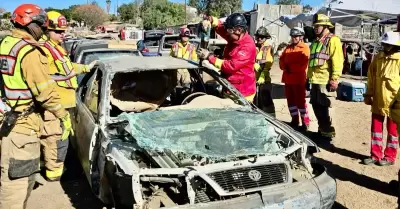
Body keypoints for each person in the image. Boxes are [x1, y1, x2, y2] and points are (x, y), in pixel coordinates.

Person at [0, 4, 72, 207]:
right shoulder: (29, 51)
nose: (43, 29)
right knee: (17, 187)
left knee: (10, 174)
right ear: (29, 23)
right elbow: (44, 92)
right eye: (41, 25)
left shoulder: (6, 43)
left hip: (7, 120)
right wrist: (62, 115)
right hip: (22, 125)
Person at [39, 10, 97, 181]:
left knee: (61, 137)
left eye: (63, 31)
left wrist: (86, 68)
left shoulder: (55, 48)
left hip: (65, 102)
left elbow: (67, 68)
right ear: (45, 30)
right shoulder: (43, 50)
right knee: (54, 139)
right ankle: (54, 174)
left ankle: (55, 165)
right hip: (55, 104)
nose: (62, 34)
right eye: (58, 31)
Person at [198, 13, 257, 102]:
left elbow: (231, 66)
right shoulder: (234, 35)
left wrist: (210, 57)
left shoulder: (247, 46)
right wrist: (211, 20)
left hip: (242, 93)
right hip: (230, 87)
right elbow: (221, 28)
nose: (226, 33)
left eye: (228, 30)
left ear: (239, 30)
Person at [364, 31, 400, 166]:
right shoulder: (378, 58)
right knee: (376, 130)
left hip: (394, 103)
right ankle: (375, 155)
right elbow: (371, 78)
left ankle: (390, 157)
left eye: (387, 44)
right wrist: (368, 94)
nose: (384, 46)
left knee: (393, 131)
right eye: (384, 43)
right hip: (379, 100)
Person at [307, 14, 344, 139]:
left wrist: (334, 78)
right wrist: (308, 78)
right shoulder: (316, 42)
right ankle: (322, 129)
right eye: (315, 26)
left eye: (318, 26)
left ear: (326, 26)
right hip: (314, 79)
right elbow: (312, 62)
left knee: (323, 107)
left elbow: (337, 61)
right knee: (315, 105)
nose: (315, 28)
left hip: (324, 79)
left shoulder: (333, 40)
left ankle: (327, 132)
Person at [280, 27, 311, 130]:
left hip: (298, 80)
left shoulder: (305, 48)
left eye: (296, 36)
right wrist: (284, 67)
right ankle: (294, 120)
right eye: (292, 36)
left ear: (301, 37)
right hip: (288, 80)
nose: (294, 38)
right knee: (291, 102)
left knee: (300, 102)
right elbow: (281, 60)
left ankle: (305, 123)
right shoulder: (288, 48)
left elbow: (303, 64)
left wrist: (290, 68)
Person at [253, 26, 275, 116]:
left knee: (266, 100)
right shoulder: (255, 47)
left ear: (265, 38)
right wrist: (253, 64)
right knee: (256, 102)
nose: (259, 38)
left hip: (264, 79)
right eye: (258, 36)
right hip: (254, 78)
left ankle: (272, 119)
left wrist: (263, 75)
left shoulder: (267, 48)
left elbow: (269, 63)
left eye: (261, 37)